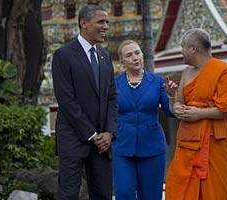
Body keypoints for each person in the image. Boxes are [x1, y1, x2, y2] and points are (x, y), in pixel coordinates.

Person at [165, 28, 227, 200]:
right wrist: (175, 105)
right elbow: (179, 102)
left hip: (215, 142)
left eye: (182, 47)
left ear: (193, 48)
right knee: (179, 187)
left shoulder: (223, 71)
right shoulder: (186, 72)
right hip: (188, 142)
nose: (180, 51)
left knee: (216, 191)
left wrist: (200, 114)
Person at [52, 5, 118, 200]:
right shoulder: (63, 55)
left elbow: (112, 97)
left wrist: (109, 132)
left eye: (107, 22)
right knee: (69, 194)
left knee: (103, 194)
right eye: (101, 21)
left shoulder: (105, 57)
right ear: (84, 23)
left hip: (103, 143)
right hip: (73, 139)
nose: (105, 26)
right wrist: (91, 134)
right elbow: (66, 100)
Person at [113, 40, 177, 200]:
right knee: (124, 192)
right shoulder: (114, 84)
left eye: (137, 53)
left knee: (150, 196)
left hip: (152, 146)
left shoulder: (157, 82)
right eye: (129, 55)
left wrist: (172, 96)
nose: (135, 57)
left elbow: (170, 111)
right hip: (122, 146)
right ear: (122, 61)